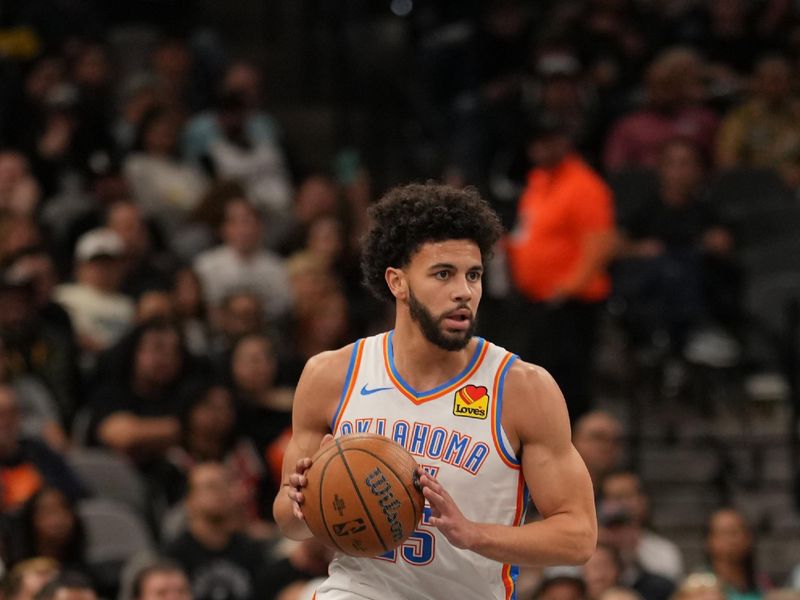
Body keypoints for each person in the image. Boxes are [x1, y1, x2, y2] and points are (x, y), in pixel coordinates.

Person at [273, 183, 597, 600]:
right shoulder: (331, 375)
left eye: (473, 275)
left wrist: (474, 534)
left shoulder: (521, 388)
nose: (464, 291)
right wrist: (305, 503)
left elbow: (579, 535)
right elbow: (288, 521)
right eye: (443, 273)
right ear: (398, 282)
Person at [506, 116, 617, 421]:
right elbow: (527, 233)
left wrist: (567, 288)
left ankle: (576, 458)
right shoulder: (538, 183)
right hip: (538, 304)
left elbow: (600, 244)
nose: (542, 148)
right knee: (538, 385)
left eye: (550, 140)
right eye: (537, 142)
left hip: (571, 306)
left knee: (568, 388)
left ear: (564, 143)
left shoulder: (584, 185)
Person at [164, 463, 268, 600]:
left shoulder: (250, 550)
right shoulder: (174, 555)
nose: (220, 493)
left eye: (226, 485)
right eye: (210, 487)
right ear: (190, 500)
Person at [600, 471, 684, 582]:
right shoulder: (588, 548)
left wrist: (633, 553)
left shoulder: (664, 552)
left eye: (626, 496)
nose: (620, 505)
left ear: (642, 501)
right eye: (613, 497)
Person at [572, 411, 625, 495]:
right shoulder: (553, 488)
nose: (607, 446)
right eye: (598, 438)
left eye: (615, 441)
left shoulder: (622, 494)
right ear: (574, 441)